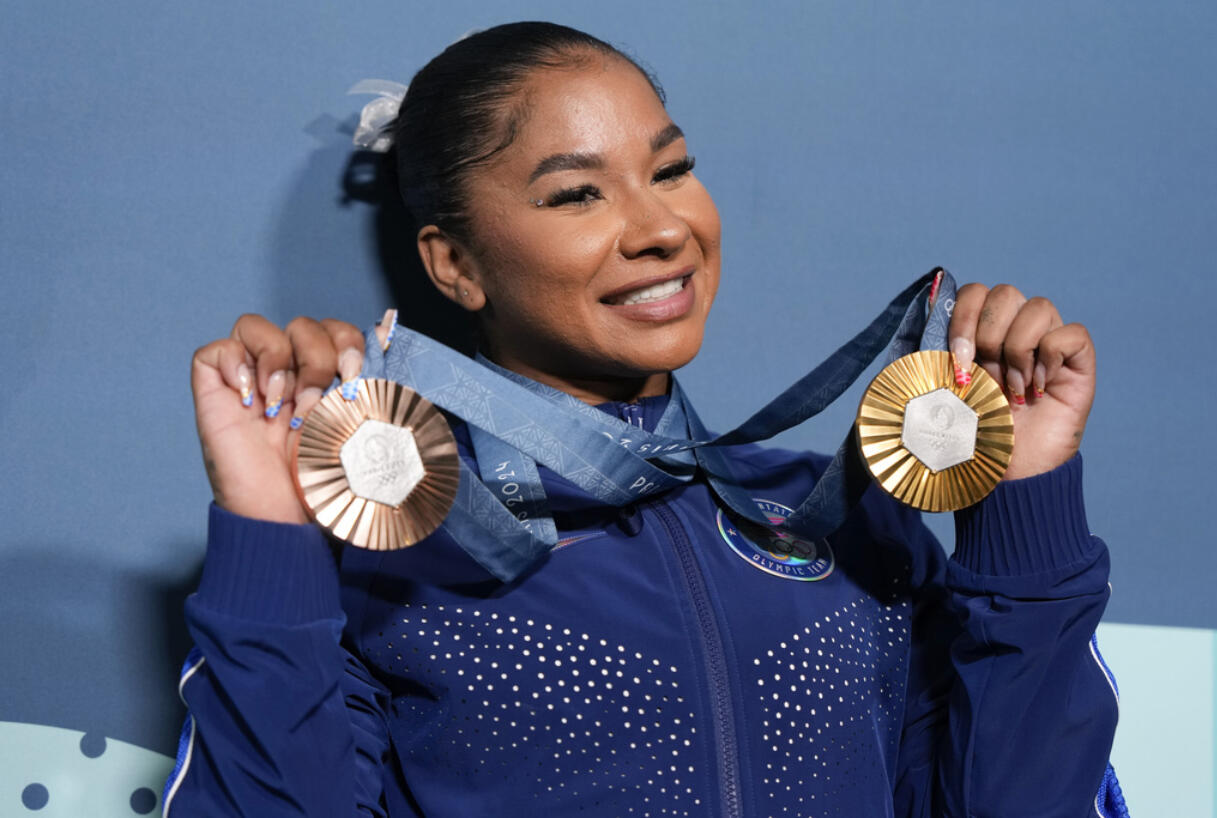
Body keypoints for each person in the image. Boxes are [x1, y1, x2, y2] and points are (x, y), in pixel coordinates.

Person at [167, 21, 1125, 818]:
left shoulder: (842, 520)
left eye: (670, 170)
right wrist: (271, 533)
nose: (662, 228)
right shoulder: (393, 547)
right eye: (577, 192)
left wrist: (1022, 508)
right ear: (453, 264)